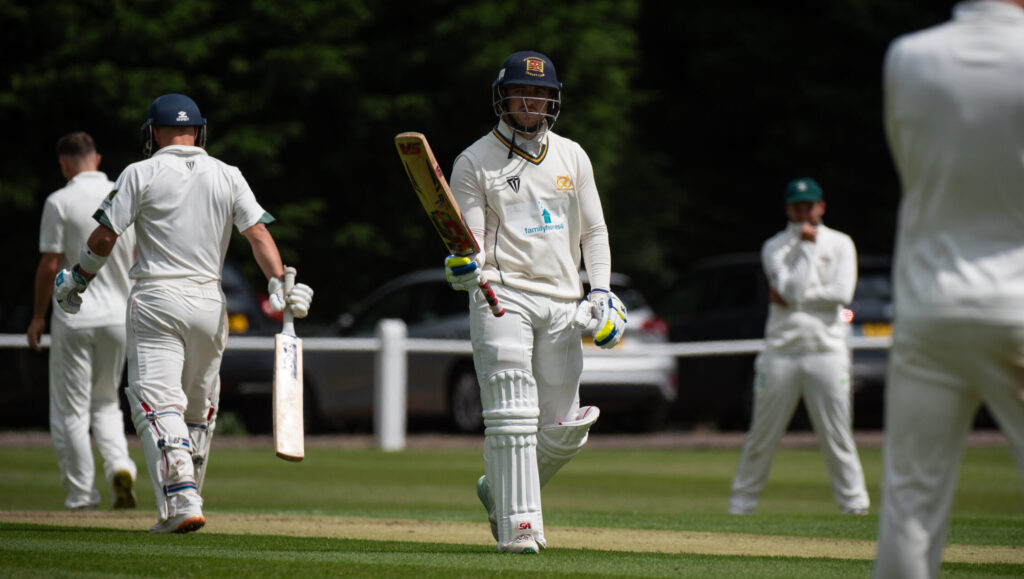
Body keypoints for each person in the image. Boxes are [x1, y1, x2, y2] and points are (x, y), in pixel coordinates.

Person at [52, 94, 314, 534]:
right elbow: (258, 234)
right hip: (211, 304)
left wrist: (77, 278)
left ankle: (184, 496)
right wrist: (276, 285)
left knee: (155, 402)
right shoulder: (228, 174)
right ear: (200, 131)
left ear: (152, 133)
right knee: (197, 409)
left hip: (158, 297)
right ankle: (177, 506)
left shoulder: (141, 172)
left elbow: (104, 238)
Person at [444, 50, 626, 554]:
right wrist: (463, 269)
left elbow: (594, 230)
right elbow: (471, 246)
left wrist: (604, 293)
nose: (532, 101)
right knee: (512, 413)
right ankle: (520, 532)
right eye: (523, 92)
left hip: (565, 299)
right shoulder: (474, 161)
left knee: (568, 426)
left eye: (542, 94)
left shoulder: (573, 155)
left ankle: (497, 491)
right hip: (504, 293)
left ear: (553, 100)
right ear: (504, 97)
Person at [875, 2, 1024, 577]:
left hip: (930, 306)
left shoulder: (908, 56)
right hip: (1015, 303)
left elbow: (912, 162)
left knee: (910, 507)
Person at [728, 177, 870, 516]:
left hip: (828, 352)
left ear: (821, 206)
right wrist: (805, 248)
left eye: (809, 205)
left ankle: (855, 507)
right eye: (797, 206)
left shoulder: (841, 244)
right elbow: (793, 291)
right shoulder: (775, 247)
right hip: (781, 352)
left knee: (837, 437)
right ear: (788, 208)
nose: (803, 211)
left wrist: (795, 297)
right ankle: (740, 507)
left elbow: (841, 295)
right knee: (761, 435)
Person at [27, 132, 138, 511]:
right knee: (107, 403)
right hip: (118, 317)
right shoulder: (123, 192)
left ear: (64, 165)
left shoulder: (59, 200)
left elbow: (50, 264)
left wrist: (39, 316)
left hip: (73, 317)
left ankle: (80, 495)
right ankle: (120, 467)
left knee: (71, 410)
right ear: (97, 158)